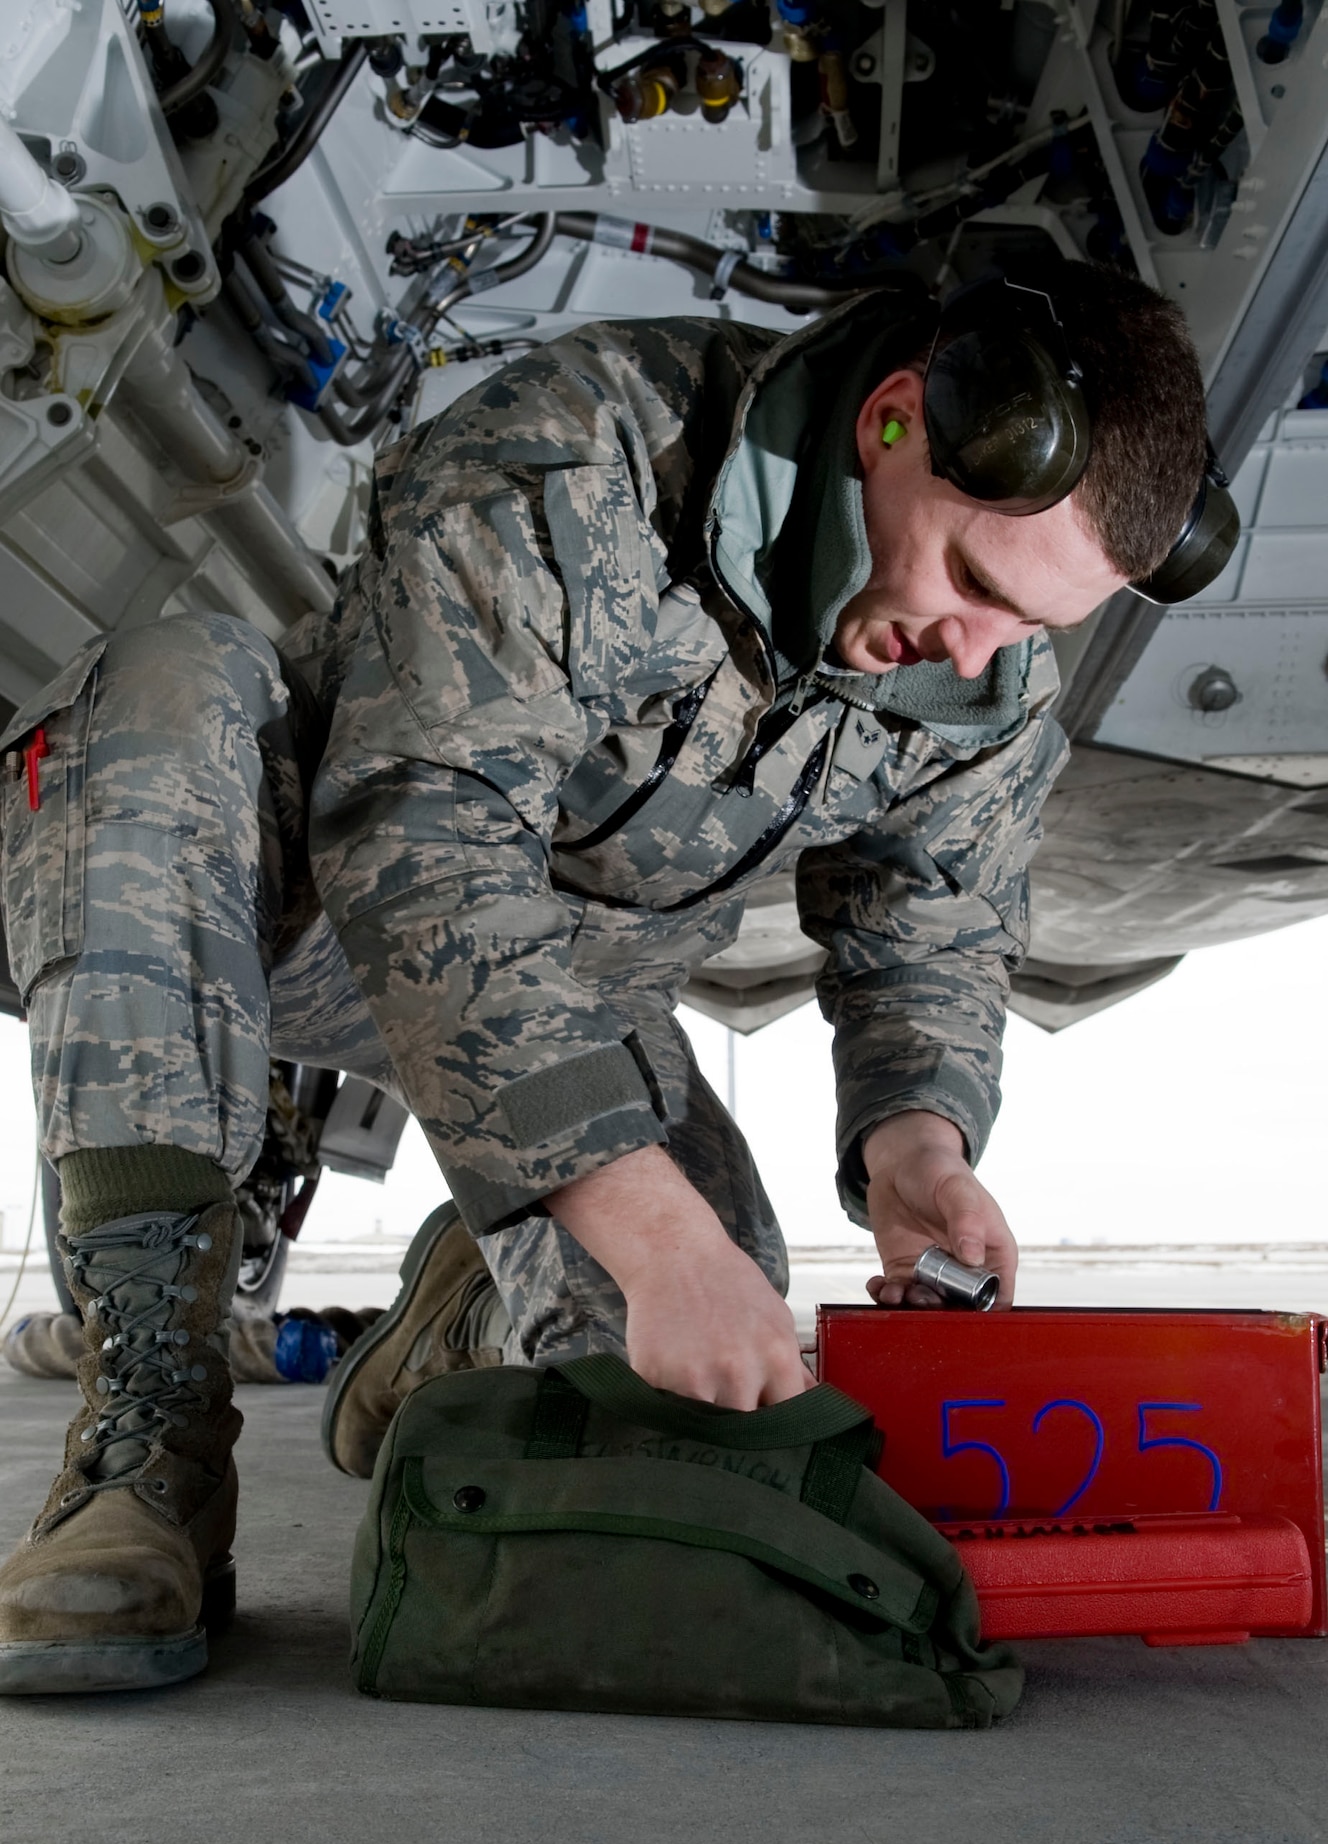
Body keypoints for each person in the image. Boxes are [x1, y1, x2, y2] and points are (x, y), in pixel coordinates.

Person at [0, 264, 1210, 1692]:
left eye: (1036, 628)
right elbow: (427, 837)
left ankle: (464, 1309)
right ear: (895, 423)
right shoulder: (584, 454)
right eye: (975, 585)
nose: (979, 650)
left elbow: (927, 922)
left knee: (683, 1402)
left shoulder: (985, 667)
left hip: (586, 1009)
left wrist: (919, 1156)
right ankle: (151, 1442)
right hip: (311, 908)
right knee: (164, 694)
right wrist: (648, 1226)